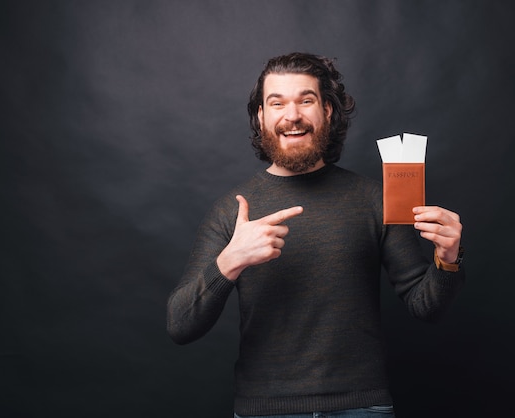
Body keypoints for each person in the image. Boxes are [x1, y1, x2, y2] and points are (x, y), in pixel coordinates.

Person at [167, 52, 465, 418]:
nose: (292, 115)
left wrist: (447, 259)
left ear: (327, 111)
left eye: (306, 100)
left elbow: (426, 307)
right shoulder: (232, 209)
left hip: (362, 407)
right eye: (277, 103)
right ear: (261, 117)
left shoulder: (374, 199)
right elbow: (180, 326)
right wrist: (230, 262)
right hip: (266, 410)